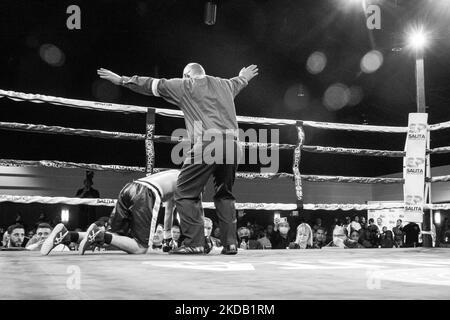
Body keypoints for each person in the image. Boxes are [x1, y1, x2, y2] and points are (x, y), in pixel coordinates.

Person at [98, 63, 259, 255]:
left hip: (208, 143)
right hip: (234, 145)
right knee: (225, 194)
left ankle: (194, 243)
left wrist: (122, 80)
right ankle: (231, 244)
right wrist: (244, 76)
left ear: (187, 75)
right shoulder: (225, 85)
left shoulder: (186, 85)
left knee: (184, 191)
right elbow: (239, 81)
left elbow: (150, 84)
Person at [42, 169, 180, 255]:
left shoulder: (175, 175)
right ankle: (98, 234)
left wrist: (167, 239)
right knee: (141, 248)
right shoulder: (187, 180)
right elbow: (174, 211)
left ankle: (67, 235)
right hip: (146, 192)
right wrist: (171, 239)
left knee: (113, 237)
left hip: (129, 188)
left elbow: (169, 208)